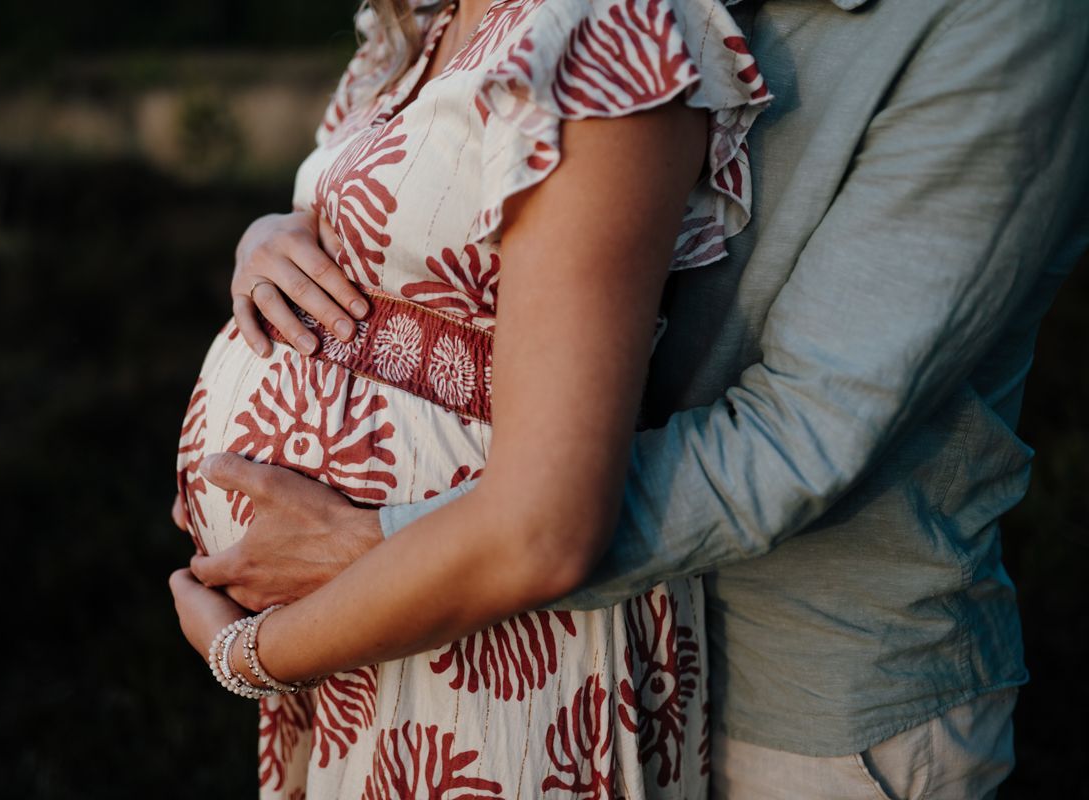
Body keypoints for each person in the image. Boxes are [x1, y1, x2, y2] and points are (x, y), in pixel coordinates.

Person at [177, 0, 1089, 797]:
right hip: (472, 629)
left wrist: (394, 543)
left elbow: (801, 434)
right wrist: (284, 233)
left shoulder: (998, 21)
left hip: (804, 696)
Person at [170, 0, 771, 797]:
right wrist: (266, 236)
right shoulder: (419, 27)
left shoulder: (599, 29)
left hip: (493, 641)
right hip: (362, 637)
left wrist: (253, 654)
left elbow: (544, 533)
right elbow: (374, 220)